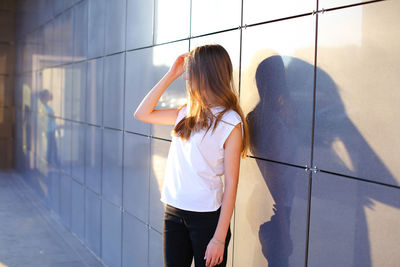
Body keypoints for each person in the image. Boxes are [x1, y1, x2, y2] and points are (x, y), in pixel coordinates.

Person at [134, 44, 249, 267]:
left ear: (207, 73)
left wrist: (219, 238)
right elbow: (142, 113)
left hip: (206, 219)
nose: (186, 76)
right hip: (173, 212)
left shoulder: (231, 122)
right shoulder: (185, 112)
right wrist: (170, 74)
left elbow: (232, 184)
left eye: (191, 70)